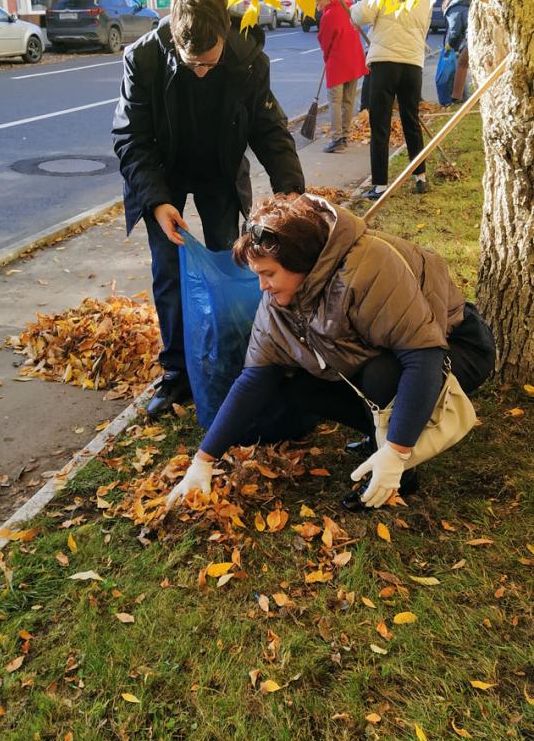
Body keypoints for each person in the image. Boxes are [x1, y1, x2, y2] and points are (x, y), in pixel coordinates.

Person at [164, 194, 495, 513]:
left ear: (302, 263)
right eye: (258, 276)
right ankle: (379, 437)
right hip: (387, 352)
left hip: (456, 343)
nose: (262, 287)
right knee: (293, 383)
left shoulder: (367, 267)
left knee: (382, 375)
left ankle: (396, 473)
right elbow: (256, 377)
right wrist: (203, 460)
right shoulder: (280, 300)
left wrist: (397, 452)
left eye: (269, 274)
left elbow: (422, 355)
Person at [112, 0, 305, 418]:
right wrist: (157, 200)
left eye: (210, 63)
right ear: (175, 39)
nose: (202, 71)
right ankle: (177, 375)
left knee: (227, 259)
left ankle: (230, 359)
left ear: (224, 35)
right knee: (170, 272)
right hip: (162, 173)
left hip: (220, 170)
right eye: (192, 64)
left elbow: (269, 130)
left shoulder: (247, 59)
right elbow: (130, 137)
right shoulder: (142, 58)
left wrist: (291, 194)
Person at [349, 0, 432, 199]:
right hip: (412, 65)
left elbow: (359, 14)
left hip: (385, 64)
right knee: (411, 120)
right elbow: (424, 28)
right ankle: (420, 177)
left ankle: (380, 185)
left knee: (380, 125)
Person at [315, 0, 368, 153]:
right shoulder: (348, 7)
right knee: (348, 100)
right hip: (354, 61)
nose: (317, 7)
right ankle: (345, 136)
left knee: (335, 102)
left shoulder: (329, 15)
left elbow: (325, 42)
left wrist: (327, 58)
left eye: (318, 2)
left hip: (338, 64)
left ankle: (337, 139)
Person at [444, 0, 477, 104]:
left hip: (473, 37)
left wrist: (450, 45)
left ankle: (456, 97)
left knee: (462, 64)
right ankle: (464, 96)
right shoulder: (463, 4)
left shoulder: (452, 10)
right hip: (475, 36)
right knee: (471, 65)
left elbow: (454, 31)